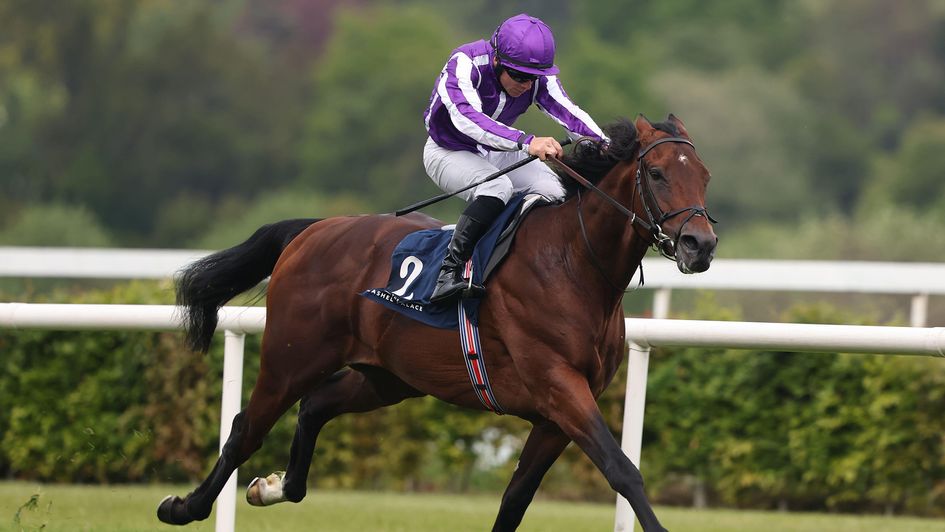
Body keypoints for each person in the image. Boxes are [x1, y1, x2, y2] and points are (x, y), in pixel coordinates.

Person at [422, 13, 609, 303]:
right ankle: (449, 272)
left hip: (499, 153)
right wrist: (527, 142)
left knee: (555, 190)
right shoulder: (464, 64)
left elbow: (568, 113)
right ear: (496, 60)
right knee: (496, 188)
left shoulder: (538, 78)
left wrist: (606, 147)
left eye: (533, 78)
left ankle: (531, 266)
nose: (525, 85)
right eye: (519, 76)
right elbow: (468, 120)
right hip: (449, 150)